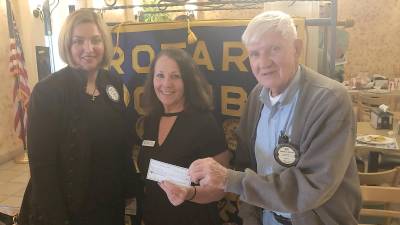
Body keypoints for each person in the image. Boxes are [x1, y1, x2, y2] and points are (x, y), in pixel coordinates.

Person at [188, 11, 361, 225]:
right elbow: (247, 166)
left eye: (274, 49)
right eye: (254, 54)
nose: (264, 62)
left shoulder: (329, 100)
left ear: (297, 48)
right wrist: (250, 219)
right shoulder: (256, 97)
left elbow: (311, 187)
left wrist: (228, 179)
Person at [18, 9, 140, 225]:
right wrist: (57, 219)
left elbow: (121, 143)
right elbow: (41, 166)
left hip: (109, 202)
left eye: (95, 40)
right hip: (68, 207)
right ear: (68, 45)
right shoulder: (48, 92)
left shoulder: (112, 81)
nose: (88, 49)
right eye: (78, 41)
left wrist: (129, 186)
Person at [137, 48, 230, 225]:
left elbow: (220, 187)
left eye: (175, 76)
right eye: (160, 75)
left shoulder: (204, 122)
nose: (166, 84)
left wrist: (189, 193)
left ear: (187, 80)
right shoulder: (151, 120)